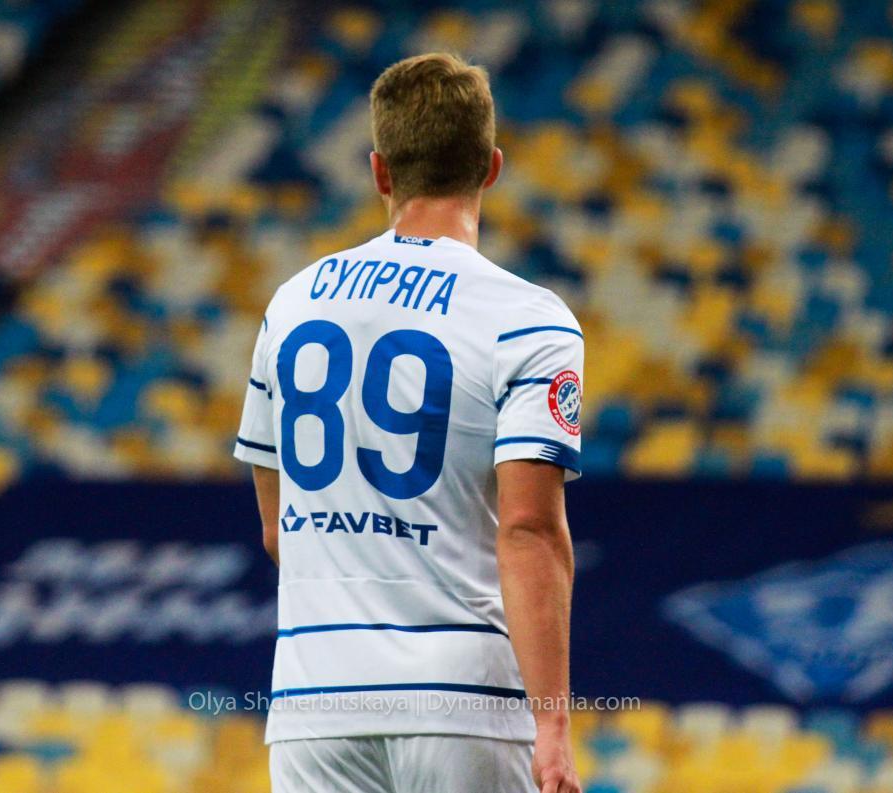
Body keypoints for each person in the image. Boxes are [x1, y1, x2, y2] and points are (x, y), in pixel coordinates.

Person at [234, 52, 584, 793]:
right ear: (491, 167)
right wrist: (552, 721)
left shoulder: (292, 304)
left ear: (380, 172)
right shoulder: (528, 320)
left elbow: (277, 528)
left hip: (313, 702)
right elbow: (528, 530)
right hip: (462, 697)